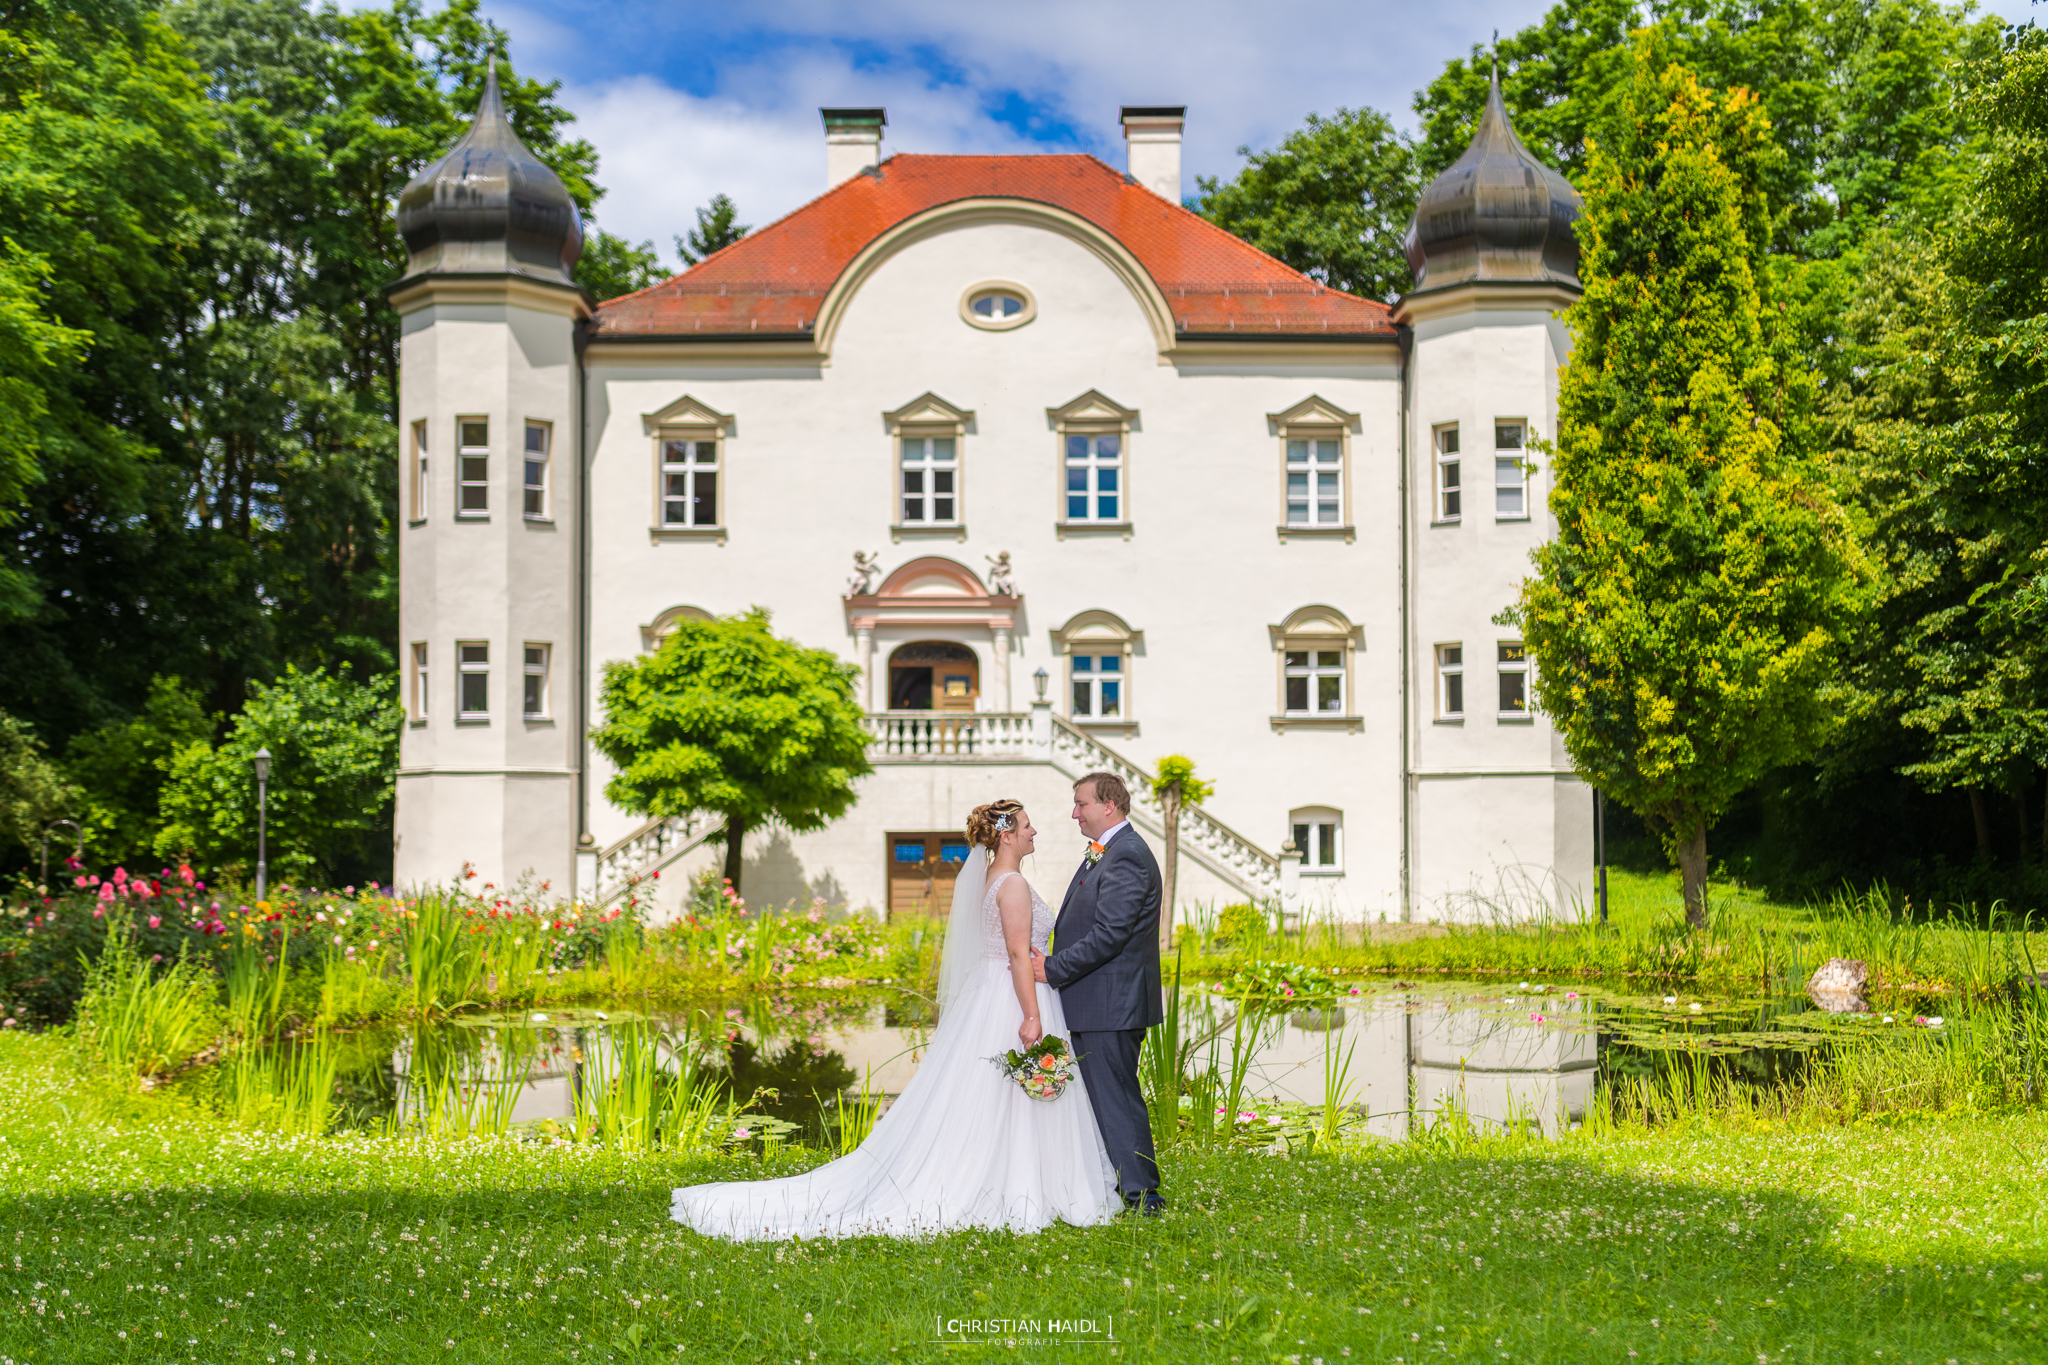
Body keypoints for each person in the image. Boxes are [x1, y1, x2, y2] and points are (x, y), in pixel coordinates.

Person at [669, 799, 1121, 1240]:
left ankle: (1012, 1176)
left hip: (988, 994)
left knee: (984, 1095)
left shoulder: (990, 878)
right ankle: (1020, 1185)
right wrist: (1030, 1015)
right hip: (1013, 996)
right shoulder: (1014, 885)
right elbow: (1018, 954)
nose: (1033, 831)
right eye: (1025, 825)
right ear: (1005, 835)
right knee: (1010, 1090)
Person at [1032, 771, 1166, 1213]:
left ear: (1108, 805)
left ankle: (1144, 1198)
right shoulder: (1107, 852)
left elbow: (1110, 935)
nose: (1075, 813)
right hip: (1097, 1001)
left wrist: (1051, 969)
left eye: (1081, 804)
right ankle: (1119, 1187)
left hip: (1111, 1003)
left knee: (1117, 1101)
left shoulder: (1126, 855)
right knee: (1107, 1101)